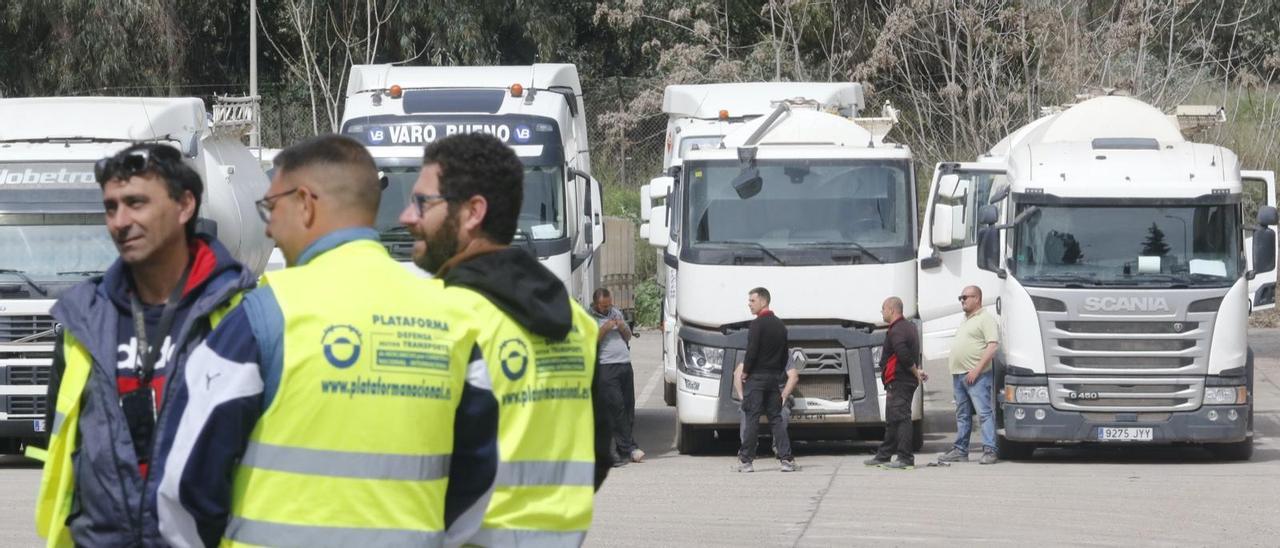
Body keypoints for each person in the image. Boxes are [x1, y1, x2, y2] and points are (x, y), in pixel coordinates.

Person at [157, 135, 498, 547]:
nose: (268, 226)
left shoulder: (261, 317)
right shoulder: (453, 319)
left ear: (305, 203)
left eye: (270, 207)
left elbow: (184, 482)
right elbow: (479, 476)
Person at [34, 143, 258, 546]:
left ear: (185, 205)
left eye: (136, 203)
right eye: (111, 207)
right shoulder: (83, 317)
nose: (120, 221)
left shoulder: (242, 314)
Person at [399, 132, 610, 546]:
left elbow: (417, 459)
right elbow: (599, 453)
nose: (407, 216)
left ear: (473, 211)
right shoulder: (578, 324)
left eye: (423, 202)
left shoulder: (446, 317)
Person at [733, 287, 798, 473]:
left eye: (752, 301)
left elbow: (752, 351)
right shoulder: (780, 325)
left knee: (752, 418)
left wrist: (746, 372)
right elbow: (784, 354)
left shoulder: (756, 325)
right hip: (773, 379)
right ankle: (786, 459)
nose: (749, 304)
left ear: (763, 301)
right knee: (776, 419)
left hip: (757, 378)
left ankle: (746, 460)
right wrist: (777, 372)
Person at [938, 285, 1001, 465]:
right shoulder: (966, 320)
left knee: (984, 413)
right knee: (962, 414)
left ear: (977, 299)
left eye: (966, 297)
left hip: (977, 375)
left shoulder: (985, 319)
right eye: (961, 297)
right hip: (959, 374)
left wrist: (977, 369)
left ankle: (990, 450)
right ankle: (960, 450)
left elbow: (992, 345)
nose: (962, 300)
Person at [864, 296, 926, 470]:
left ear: (891, 310)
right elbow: (914, 352)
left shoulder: (897, 329)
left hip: (900, 380)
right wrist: (917, 370)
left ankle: (905, 457)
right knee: (892, 419)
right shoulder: (909, 327)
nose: (882, 312)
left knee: (901, 418)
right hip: (902, 379)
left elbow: (904, 353)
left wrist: (915, 371)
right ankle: (884, 455)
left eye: (883, 309)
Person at [591, 287, 645, 466]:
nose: (606, 309)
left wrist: (622, 326)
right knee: (617, 407)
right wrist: (604, 329)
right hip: (606, 366)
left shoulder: (616, 312)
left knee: (628, 406)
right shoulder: (589, 317)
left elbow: (628, 337)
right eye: (603, 306)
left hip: (624, 363)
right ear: (596, 304)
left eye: (609, 305)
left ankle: (626, 448)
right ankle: (628, 447)